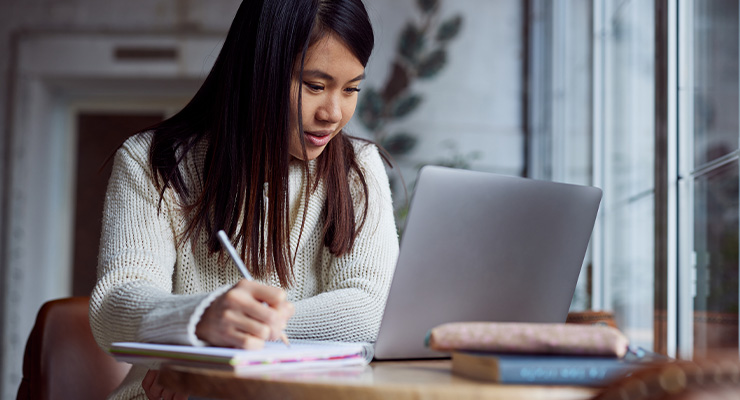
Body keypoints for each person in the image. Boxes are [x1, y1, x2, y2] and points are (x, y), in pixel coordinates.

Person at [89, 0, 399, 398]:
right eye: (315, 86)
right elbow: (113, 305)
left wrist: (218, 345)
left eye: (352, 88)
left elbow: (372, 311)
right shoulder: (153, 161)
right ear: (259, 71)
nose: (334, 113)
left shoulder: (358, 167)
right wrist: (201, 320)